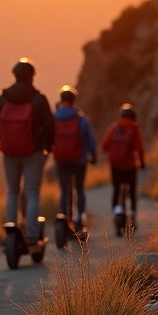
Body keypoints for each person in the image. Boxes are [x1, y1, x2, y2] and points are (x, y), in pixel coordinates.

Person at [0, 59, 56, 244]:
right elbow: (50, 127)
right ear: (31, 77)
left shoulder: (3, 98)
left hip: (9, 152)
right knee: (32, 192)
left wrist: (9, 142)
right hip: (34, 152)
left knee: (12, 191)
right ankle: (32, 234)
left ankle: (11, 230)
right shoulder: (39, 99)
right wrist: (48, 147)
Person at [52, 85, 97, 233]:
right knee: (79, 189)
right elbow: (90, 140)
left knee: (64, 191)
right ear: (73, 100)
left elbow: (50, 137)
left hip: (61, 160)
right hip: (79, 160)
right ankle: (78, 220)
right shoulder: (82, 119)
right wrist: (93, 155)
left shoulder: (55, 118)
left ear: (61, 100)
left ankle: (63, 218)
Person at [102, 103, 146, 233]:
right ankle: (132, 217)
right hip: (130, 166)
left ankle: (118, 213)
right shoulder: (134, 129)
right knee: (131, 193)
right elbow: (140, 149)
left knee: (117, 191)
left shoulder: (113, 128)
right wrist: (142, 163)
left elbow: (104, 146)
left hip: (115, 166)